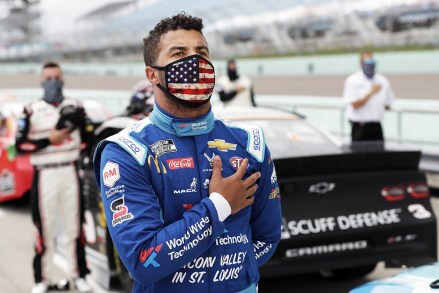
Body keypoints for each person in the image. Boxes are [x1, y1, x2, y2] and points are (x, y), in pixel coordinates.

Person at [93, 12, 282, 293]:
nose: (194, 61)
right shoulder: (126, 152)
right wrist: (219, 205)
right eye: (179, 53)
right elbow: (143, 262)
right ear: (152, 74)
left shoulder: (250, 141)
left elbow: (267, 236)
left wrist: (228, 273)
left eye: (201, 52)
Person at [15, 61, 93, 293]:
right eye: (48, 78)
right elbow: (20, 145)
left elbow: (89, 137)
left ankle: (79, 275)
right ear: (41, 81)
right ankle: (42, 280)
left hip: (70, 170)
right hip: (44, 174)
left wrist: (77, 126)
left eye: (56, 77)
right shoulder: (30, 109)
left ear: (62, 79)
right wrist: (50, 140)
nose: (52, 82)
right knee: (43, 229)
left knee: (74, 228)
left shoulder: (75, 106)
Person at [343, 51, 395, 142]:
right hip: (360, 126)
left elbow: (388, 104)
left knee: (379, 154)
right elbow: (356, 105)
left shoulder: (382, 80)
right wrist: (371, 93)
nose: (370, 65)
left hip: (376, 125)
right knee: (358, 154)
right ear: (361, 63)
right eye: (367, 62)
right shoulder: (353, 80)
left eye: (372, 62)